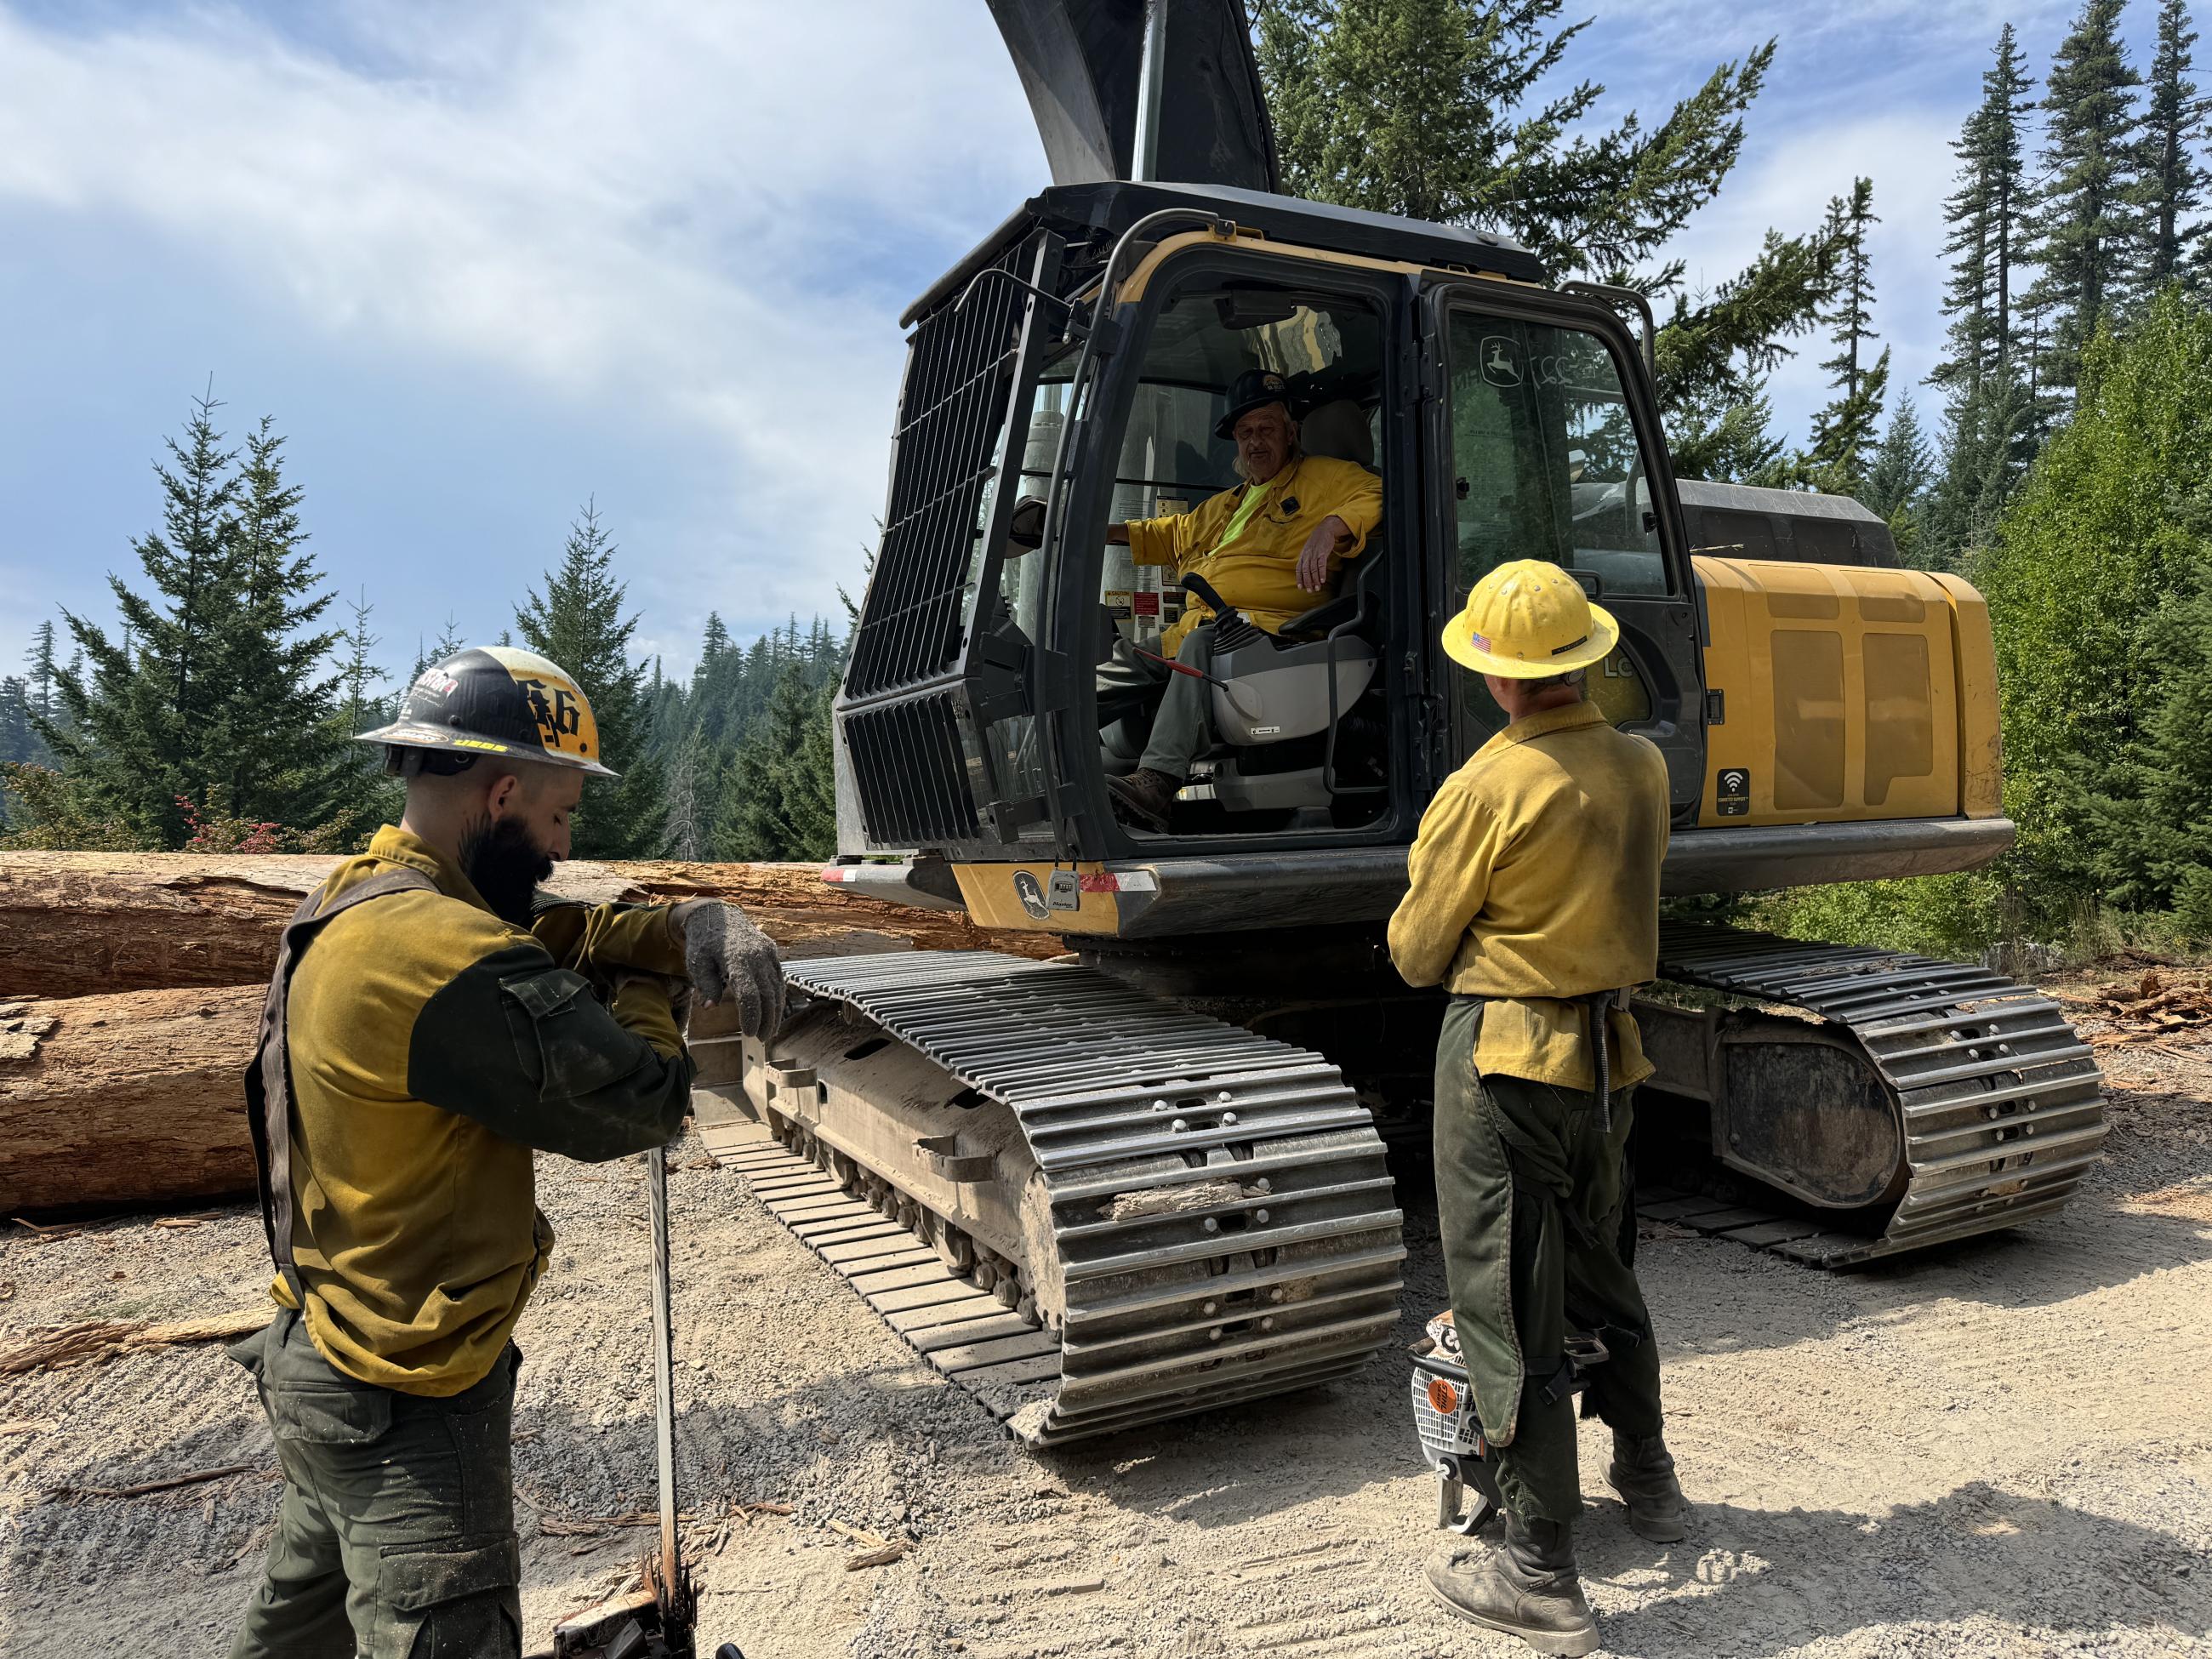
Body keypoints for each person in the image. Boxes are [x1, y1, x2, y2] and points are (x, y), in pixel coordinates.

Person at [225, 645, 784, 1659]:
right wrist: (659, 992)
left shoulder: (360, 897)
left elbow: (535, 928)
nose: (561, 846)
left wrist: (672, 926)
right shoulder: (440, 956)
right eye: (560, 816)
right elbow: (640, 1103)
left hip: (319, 1353)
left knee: (293, 1641)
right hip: (404, 1398)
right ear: (504, 791)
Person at [1386, 562, 1687, 1657]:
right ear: (1581, 659)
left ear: (1496, 678)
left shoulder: (1484, 786)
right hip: (1610, 1054)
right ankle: (1648, 1483)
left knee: (1505, 1304)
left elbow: (1417, 954)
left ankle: (1537, 1570)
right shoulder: (1640, 766)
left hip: (1504, 1059)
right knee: (1604, 1270)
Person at [1097, 366, 1382, 829]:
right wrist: (1080, 530)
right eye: (1245, 432)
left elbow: (1381, 492)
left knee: (1198, 646)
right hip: (1202, 632)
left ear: (1291, 433)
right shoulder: (1227, 503)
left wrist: (1332, 526)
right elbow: (1166, 533)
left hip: (1273, 636)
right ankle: (1059, 766)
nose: (1255, 441)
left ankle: (1156, 785)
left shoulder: (1328, 478)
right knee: (1120, 664)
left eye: (1267, 428)